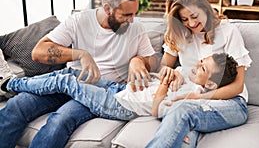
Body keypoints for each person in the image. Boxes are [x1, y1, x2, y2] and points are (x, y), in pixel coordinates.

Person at [0, 0, 157, 148]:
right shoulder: (78, 21)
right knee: (17, 105)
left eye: (134, 13)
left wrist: (138, 60)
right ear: (107, 9)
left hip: (98, 91)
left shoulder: (136, 28)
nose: (132, 20)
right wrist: (79, 54)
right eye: (126, 15)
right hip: (66, 85)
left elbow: (152, 61)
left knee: (60, 121)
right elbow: (38, 52)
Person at [145, 0, 252, 148]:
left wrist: (199, 98)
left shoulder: (228, 32)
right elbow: (163, 69)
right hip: (190, 102)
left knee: (183, 111)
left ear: (205, 7)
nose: (192, 23)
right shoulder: (180, 34)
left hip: (230, 103)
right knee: (184, 139)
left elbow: (238, 86)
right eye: (184, 19)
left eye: (195, 16)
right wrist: (169, 72)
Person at [1, 53, 237, 121]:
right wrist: (168, 74)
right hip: (120, 89)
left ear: (211, 84)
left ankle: (11, 83)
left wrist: (164, 86)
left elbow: (156, 109)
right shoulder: (188, 75)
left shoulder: (193, 97)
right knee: (71, 72)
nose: (196, 65)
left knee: (66, 82)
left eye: (202, 68)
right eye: (200, 61)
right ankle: (15, 84)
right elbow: (162, 75)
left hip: (119, 105)